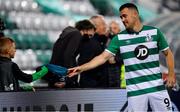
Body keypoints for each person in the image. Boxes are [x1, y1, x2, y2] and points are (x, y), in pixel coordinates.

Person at [68, 3, 175, 112]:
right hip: (135, 92)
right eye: (121, 17)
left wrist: (171, 74)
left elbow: (168, 53)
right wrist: (81, 68)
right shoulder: (119, 38)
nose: (122, 19)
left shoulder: (154, 32)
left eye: (125, 16)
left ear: (135, 14)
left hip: (156, 88)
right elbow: (102, 58)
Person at [43, 19, 96, 88]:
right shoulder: (77, 34)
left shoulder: (68, 34)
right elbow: (68, 55)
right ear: (86, 29)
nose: (90, 37)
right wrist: (69, 78)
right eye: (90, 35)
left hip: (56, 72)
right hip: (61, 74)